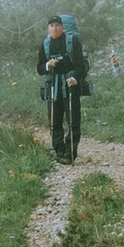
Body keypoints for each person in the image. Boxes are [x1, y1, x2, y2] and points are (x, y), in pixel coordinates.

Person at [39, 16, 88, 163]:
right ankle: (59, 151)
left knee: (73, 120)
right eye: (52, 26)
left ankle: (70, 153)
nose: (55, 28)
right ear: (48, 28)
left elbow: (81, 66)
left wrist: (75, 78)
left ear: (62, 27)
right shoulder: (46, 44)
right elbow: (39, 68)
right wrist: (48, 65)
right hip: (53, 87)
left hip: (70, 86)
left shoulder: (72, 41)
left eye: (57, 26)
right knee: (54, 120)